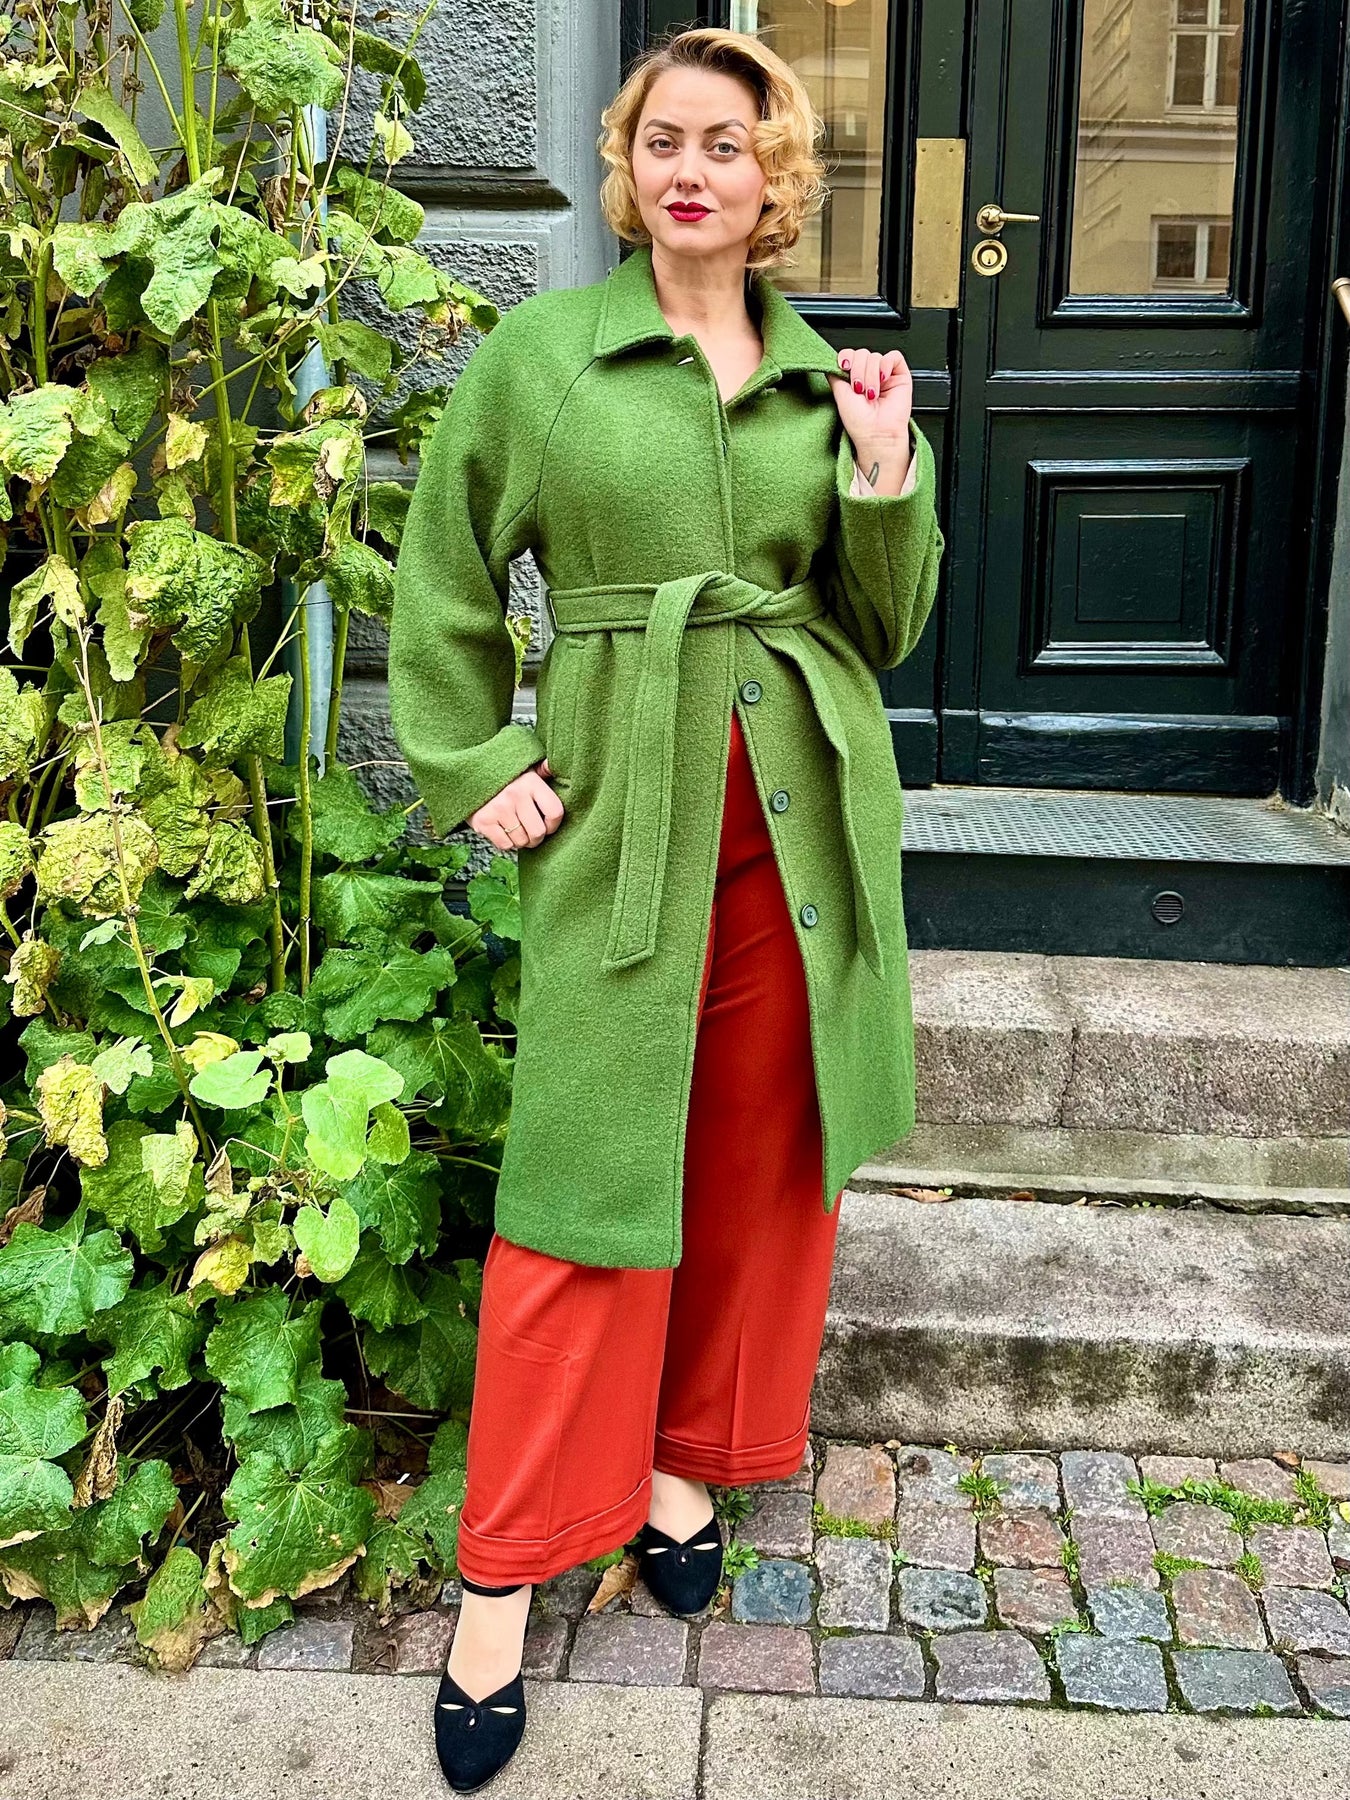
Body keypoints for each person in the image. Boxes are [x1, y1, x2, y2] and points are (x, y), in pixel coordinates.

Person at [387, 24, 944, 1792]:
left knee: (762, 1169)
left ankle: (684, 1466)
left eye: (726, 142)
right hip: (624, 825)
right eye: (661, 139)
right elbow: (446, 569)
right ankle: (500, 1580)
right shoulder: (546, 358)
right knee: (584, 1182)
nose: (689, 168)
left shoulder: (823, 377)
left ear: (774, 178)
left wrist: (881, 471)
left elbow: (882, 628)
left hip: (798, 825)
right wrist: (478, 762)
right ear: (626, 169)